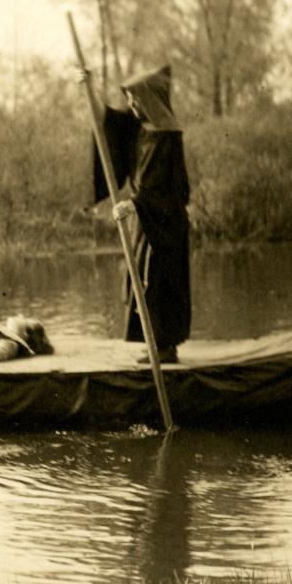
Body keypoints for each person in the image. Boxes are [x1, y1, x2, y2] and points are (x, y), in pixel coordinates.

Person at [92, 63, 191, 363]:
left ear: (149, 100)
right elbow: (107, 121)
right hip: (147, 222)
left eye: (136, 98)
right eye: (130, 98)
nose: (131, 104)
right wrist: (89, 87)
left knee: (160, 282)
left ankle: (164, 348)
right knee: (145, 283)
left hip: (165, 225)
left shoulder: (167, 136)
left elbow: (164, 188)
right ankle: (156, 346)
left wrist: (134, 204)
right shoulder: (140, 128)